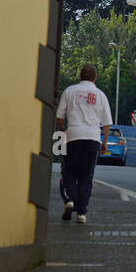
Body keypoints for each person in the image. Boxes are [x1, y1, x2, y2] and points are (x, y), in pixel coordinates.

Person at [55, 64, 113, 223]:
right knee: (86, 177)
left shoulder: (69, 91)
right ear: (95, 78)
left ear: (80, 76)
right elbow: (106, 124)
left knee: (68, 172)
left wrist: (63, 132)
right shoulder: (101, 95)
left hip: (73, 135)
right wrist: (105, 143)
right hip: (93, 138)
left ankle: (70, 200)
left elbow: (59, 117)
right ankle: (81, 213)